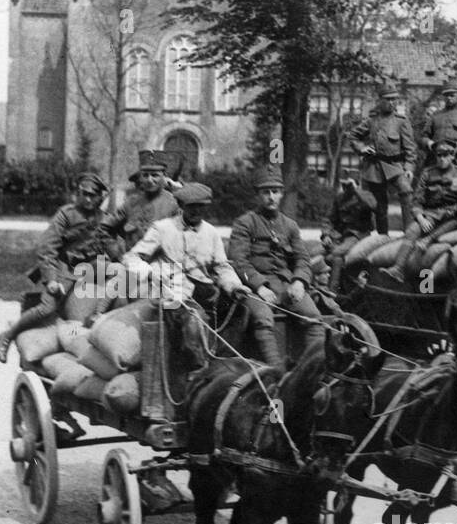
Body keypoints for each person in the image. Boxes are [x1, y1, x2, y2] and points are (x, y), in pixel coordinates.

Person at [123, 182, 252, 373]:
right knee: (194, 319)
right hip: (174, 293)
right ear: (181, 206)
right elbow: (132, 257)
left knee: (240, 309)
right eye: (191, 207)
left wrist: (234, 286)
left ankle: (222, 362)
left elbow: (221, 266)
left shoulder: (211, 232)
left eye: (200, 207)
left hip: (205, 291)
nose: (196, 212)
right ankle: (197, 370)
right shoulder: (162, 228)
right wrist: (151, 272)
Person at [0, 173, 117, 363]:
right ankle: (8, 336)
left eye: (93, 195)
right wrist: (51, 279)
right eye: (84, 194)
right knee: (47, 308)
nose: (88, 199)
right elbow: (47, 248)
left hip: (90, 265)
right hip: (64, 265)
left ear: (101, 197)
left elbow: (113, 245)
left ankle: (98, 317)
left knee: (121, 275)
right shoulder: (66, 214)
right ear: (78, 193)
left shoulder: (104, 218)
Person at [228, 169, 324, 370]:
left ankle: (313, 371)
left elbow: (302, 259)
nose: (271, 197)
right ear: (258, 195)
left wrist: (299, 282)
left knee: (314, 317)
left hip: (287, 285)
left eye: (275, 191)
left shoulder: (290, 225)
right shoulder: (245, 223)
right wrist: (260, 287)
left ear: (281, 193)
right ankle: (276, 373)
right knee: (263, 318)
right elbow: (239, 261)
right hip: (255, 288)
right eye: (266, 192)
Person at [380, 137, 457, 284]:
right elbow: (417, 201)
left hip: (455, 215)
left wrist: (452, 211)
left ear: (452, 156)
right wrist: (420, 218)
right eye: (439, 155)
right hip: (431, 214)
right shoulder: (427, 173)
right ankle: (398, 269)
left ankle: (428, 240)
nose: (442, 159)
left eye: (446, 155)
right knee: (412, 230)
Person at [348, 84, 417, 234]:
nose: (392, 102)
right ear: (380, 101)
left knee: (406, 191)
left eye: (394, 100)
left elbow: (410, 148)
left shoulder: (401, 121)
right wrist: (362, 148)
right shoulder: (371, 121)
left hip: (394, 166)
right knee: (380, 204)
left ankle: (409, 232)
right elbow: (353, 136)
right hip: (375, 167)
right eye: (388, 99)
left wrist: (409, 168)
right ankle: (382, 235)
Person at [99, 150, 180, 251]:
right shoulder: (131, 202)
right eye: (145, 175)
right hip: (132, 263)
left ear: (164, 176)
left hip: (162, 263)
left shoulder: (174, 204)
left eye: (155, 175)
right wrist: (114, 251)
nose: (149, 180)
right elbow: (104, 228)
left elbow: (184, 237)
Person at [320, 175, 376, 294]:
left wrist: (356, 190)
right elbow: (328, 219)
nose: (346, 188)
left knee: (334, 255)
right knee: (314, 253)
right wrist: (326, 235)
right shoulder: (339, 198)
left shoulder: (365, 196)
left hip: (358, 235)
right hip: (340, 236)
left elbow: (372, 206)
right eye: (343, 185)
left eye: (348, 185)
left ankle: (332, 291)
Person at [420, 83, 457, 166]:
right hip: (436, 161)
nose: (448, 98)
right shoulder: (435, 115)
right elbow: (423, 137)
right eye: (446, 95)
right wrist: (429, 143)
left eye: (452, 95)